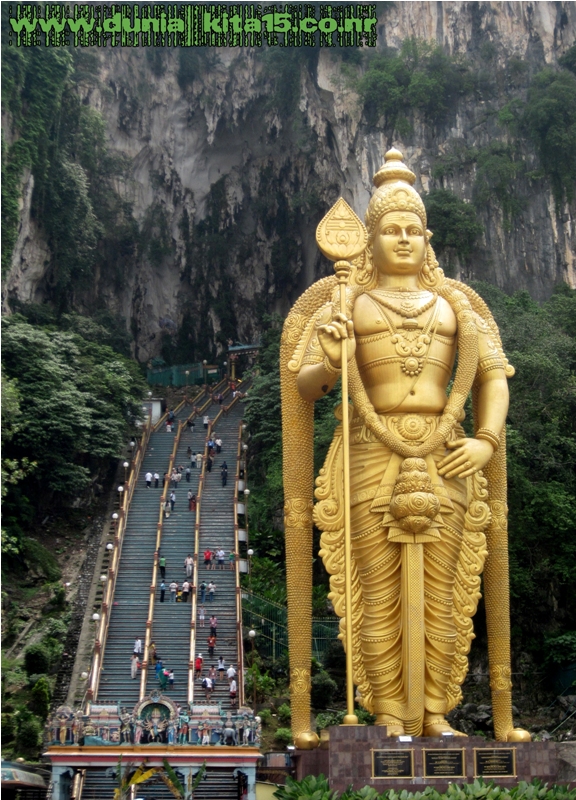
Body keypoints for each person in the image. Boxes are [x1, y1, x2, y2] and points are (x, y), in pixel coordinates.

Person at [283, 148, 529, 743]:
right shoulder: (346, 302)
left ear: (428, 237)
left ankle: (438, 711)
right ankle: (389, 713)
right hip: (370, 450)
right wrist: (334, 356)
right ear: (368, 239)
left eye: (412, 230)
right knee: (377, 587)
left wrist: (487, 441)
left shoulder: (458, 305)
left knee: (445, 590)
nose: (402, 239)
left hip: (448, 453)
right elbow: (304, 383)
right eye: (389, 229)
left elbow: (493, 376)